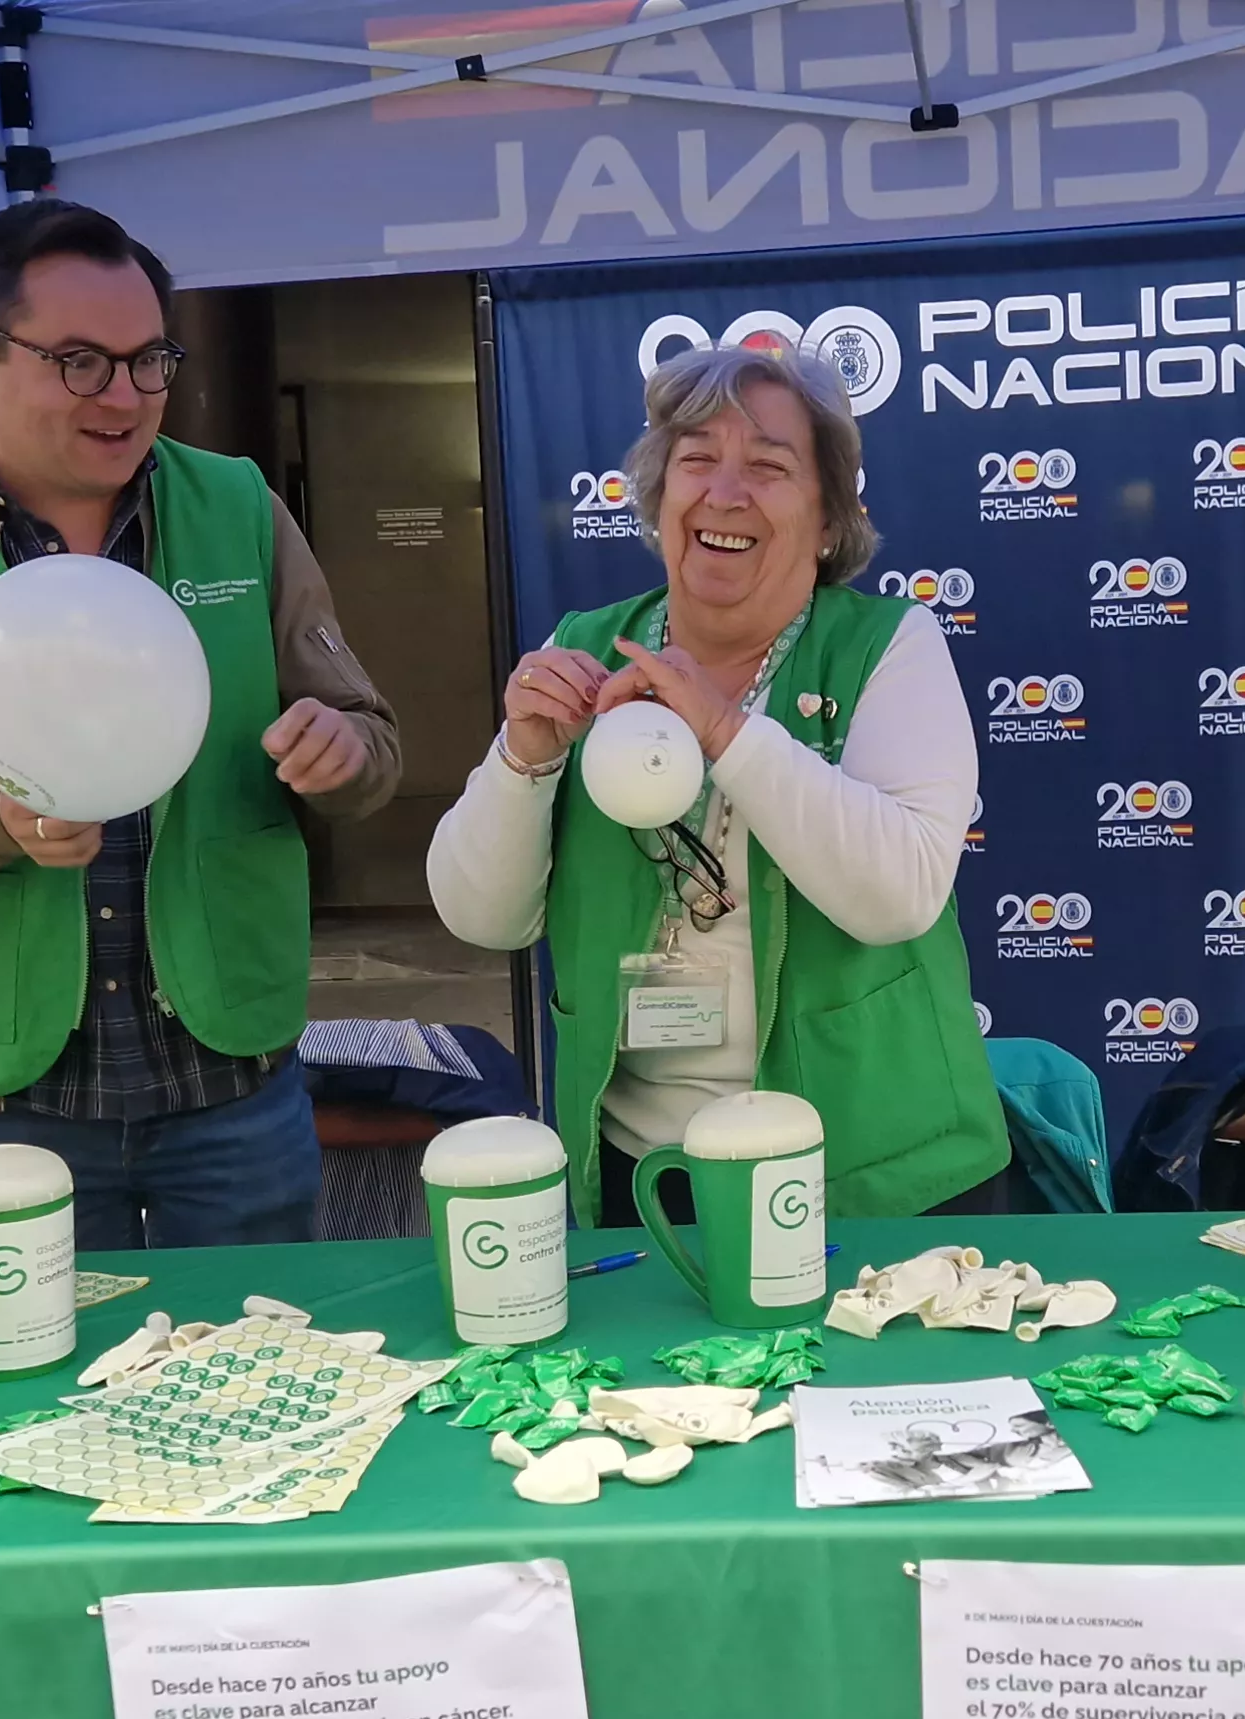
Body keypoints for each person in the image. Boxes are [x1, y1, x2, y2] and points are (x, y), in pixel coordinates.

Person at [0, 199, 400, 1250]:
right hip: (11, 1103)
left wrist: (341, 752)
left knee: (266, 1388)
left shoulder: (238, 507)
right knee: (35, 1405)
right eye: (79, 362)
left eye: (148, 359)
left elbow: (371, 742)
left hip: (231, 1083)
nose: (125, 397)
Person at [429, 342, 1005, 1227]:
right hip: (644, 1176)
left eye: (768, 467)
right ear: (660, 500)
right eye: (696, 460)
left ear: (827, 520)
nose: (724, 494)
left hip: (868, 1177)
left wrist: (727, 731)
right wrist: (526, 756)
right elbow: (482, 917)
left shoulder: (891, 645)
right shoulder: (589, 642)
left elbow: (899, 898)